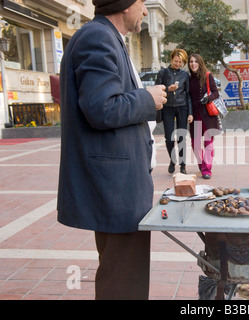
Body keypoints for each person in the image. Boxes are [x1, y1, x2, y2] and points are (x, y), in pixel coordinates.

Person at [57, 0, 167, 300]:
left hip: (118, 187)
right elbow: (101, 108)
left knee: (121, 277)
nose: (145, 12)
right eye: (142, 4)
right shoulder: (98, 37)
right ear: (125, 5)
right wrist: (148, 99)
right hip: (116, 190)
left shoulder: (103, 36)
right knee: (123, 284)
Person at [156, 48, 193, 174]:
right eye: (176, 61)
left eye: (180, 62)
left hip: (182, 107)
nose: (177, 64)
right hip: (168, 108)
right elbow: (157, 90)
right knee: (169, 138)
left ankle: (183, 166)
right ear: (171, 59)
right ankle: (172, 160)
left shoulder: (184, 75)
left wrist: (190, 112)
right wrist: (168, 89)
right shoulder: (163, 73)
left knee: (181, 137)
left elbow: (188, 94)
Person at [188, 53, 221, 179]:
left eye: (196, 61)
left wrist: (207, 99)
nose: (193, 64)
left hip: (207, 115)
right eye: (191, 61)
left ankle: (207, 169)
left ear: (200, 63)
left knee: (208, 143)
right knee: (195, 145)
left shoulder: (207, 76)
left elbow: (216, 93)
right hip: (195, 116)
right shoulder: (189, 79)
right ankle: (202, 165)